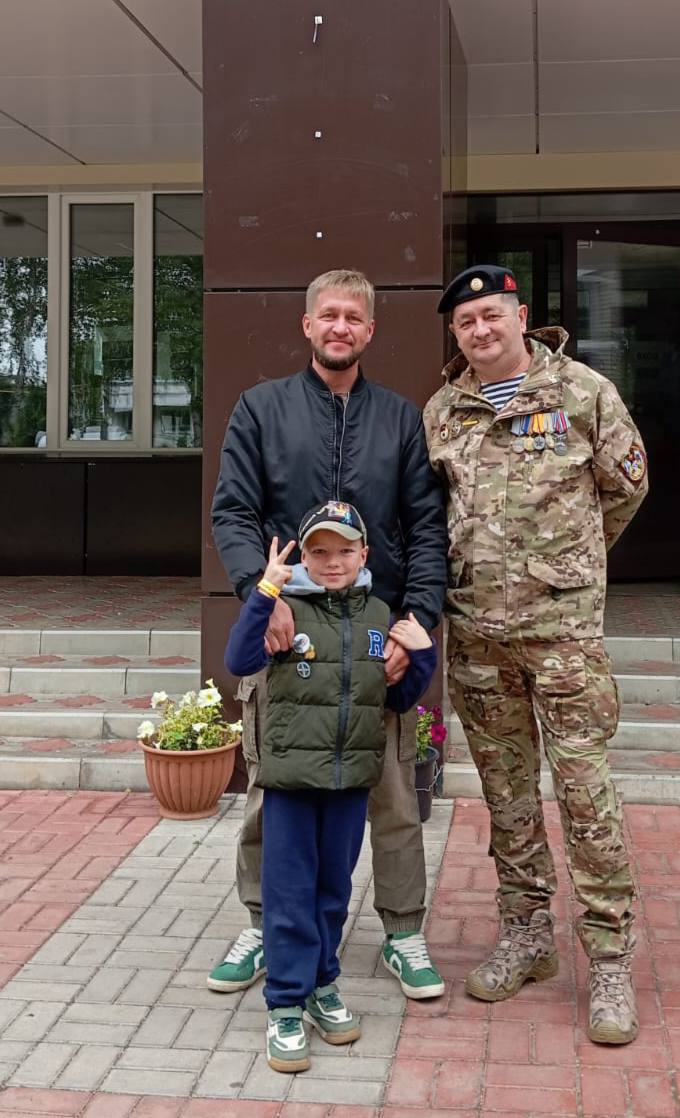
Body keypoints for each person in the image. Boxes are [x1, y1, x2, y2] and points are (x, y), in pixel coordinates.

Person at [423, 265, 648, 1045]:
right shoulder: (443, 411)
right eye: (465, 322)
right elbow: (433, 512)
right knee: (508, 797)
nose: (479, 330)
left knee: (585, 793)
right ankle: (526, 935)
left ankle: (611, 958)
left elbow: (625, 491)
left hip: (563, 639)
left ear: (521, 318)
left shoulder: (583, 393)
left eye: (491, 315)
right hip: (478, 640)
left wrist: (567, 567)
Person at [210, 269, 447, 1002]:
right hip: (287, 638)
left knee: (394, 796)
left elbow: (427, 528)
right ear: (307, 324)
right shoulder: (261, 409)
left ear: (370, 331)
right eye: (329, 315)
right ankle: (264, 924)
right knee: (272, 792)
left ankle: (403, 930)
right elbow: (233, 512)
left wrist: (416, 621)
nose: (340, 327)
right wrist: (261, 596)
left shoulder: (400, 419)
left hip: (375, 637)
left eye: (354, 317)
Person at [224, 500, 437, 1073]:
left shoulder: (379, 614)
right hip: (292, 785)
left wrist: (422, 657)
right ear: (304, 558)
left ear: (365, 554)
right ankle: (285, 1006)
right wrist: (264, 593)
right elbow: (238, 658)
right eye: (319, 551)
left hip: (349, 785)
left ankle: (322, 985)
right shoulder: (285, 610)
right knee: (290, 895)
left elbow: (395, 697)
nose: (333, 561)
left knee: (333, 894)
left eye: (345, 550)